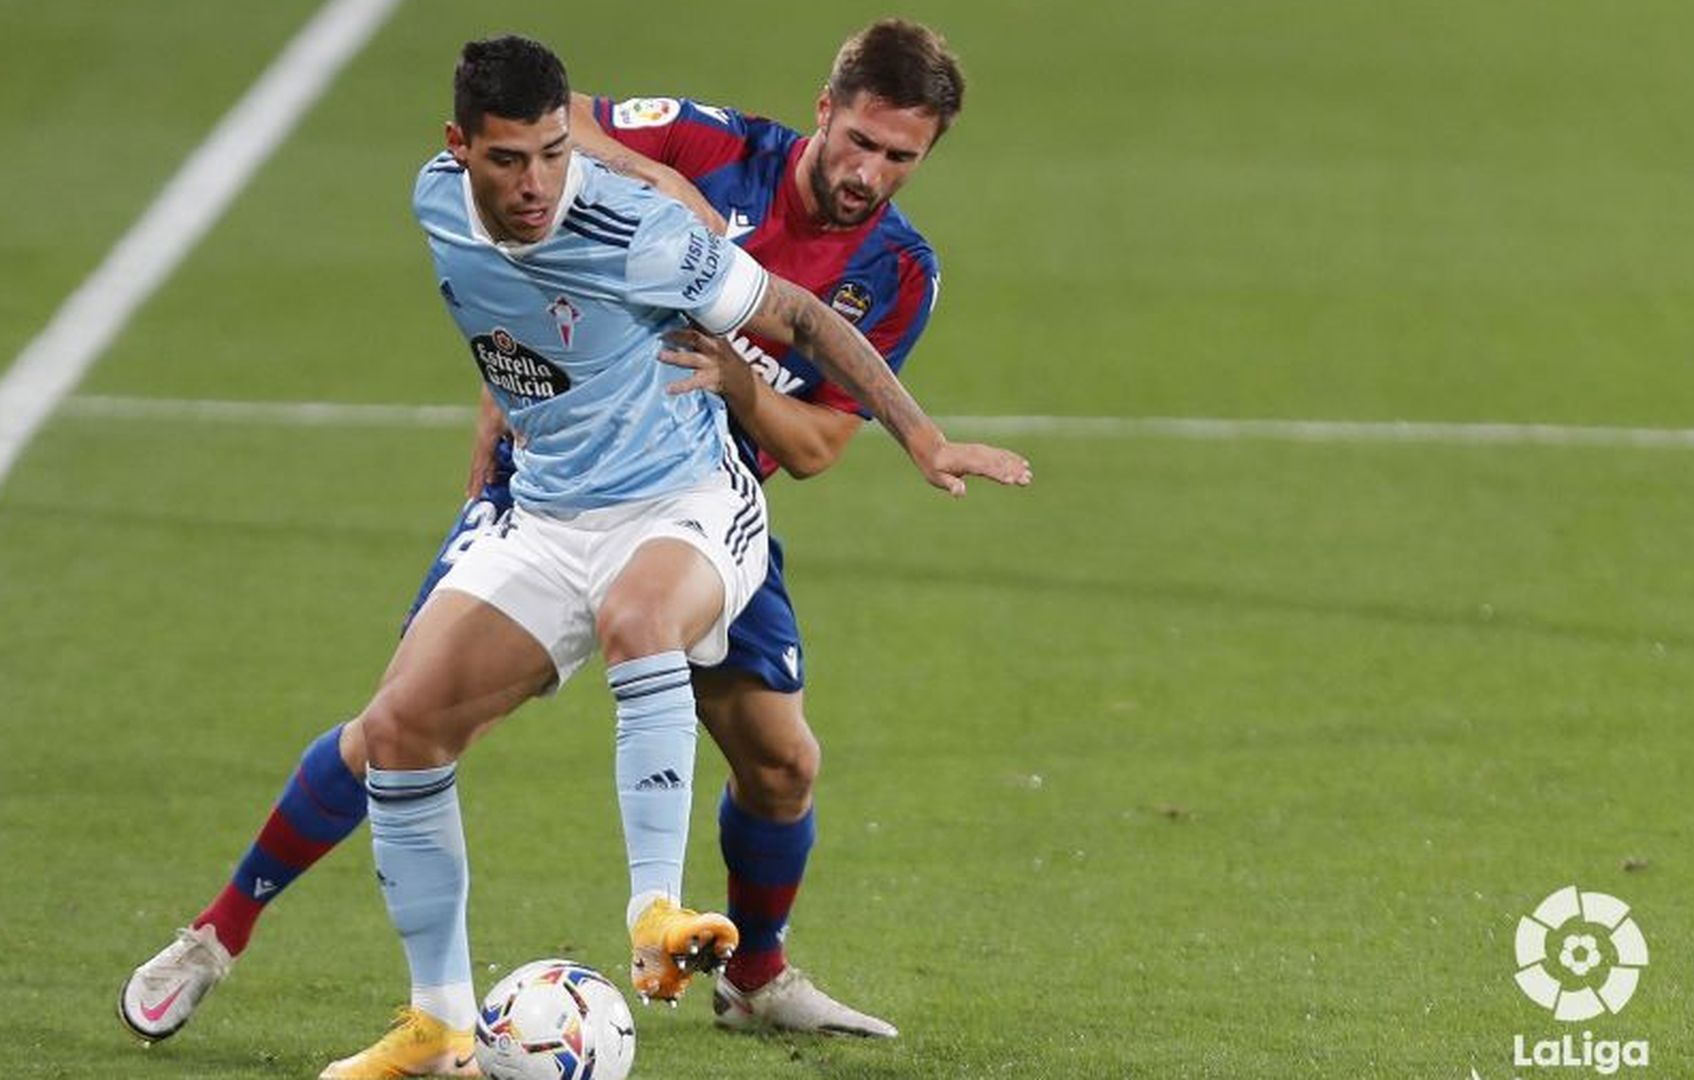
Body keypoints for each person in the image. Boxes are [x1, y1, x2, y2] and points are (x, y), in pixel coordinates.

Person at [121, 32, 1028, 1079]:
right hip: (549, 487)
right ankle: (222, 936)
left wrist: (757, 386)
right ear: (826, 109)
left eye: (901, 158)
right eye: (861, 141)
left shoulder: (897, 271)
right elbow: (571, 129)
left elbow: (818, 444)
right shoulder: (706, 150)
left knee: (780, 761)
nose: (870, 173)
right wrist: (655, 197)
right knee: (396, 730)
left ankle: (746, 972)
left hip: (700, 493)